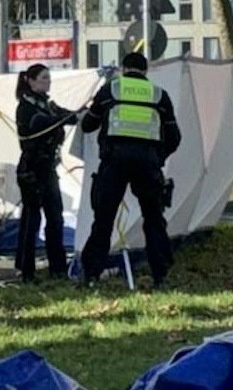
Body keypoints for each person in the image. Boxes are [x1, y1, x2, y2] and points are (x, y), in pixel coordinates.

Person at [77, 52, 183, 289]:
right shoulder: (159, 95)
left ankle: (91, 275)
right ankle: (160, 275)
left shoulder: (110, 90)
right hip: (147, 163)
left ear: (123, 69)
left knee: (104, 220)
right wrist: (157, 158)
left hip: (114, 161)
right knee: (154, 219)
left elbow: (88, 125)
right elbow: (174, 137)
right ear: (146, 71)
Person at [13, 63, 80, 283]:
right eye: (43, 78)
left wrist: (84, 113)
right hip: (31, 170)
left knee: (55, 218)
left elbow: (69, 116)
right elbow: (39, 124)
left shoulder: (48, 105)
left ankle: (58, 269)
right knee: (32, 220)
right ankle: (26, 271)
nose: (48, 82)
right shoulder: (26, 107)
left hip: (48, 169)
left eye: (49, 78)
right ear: (31, 81)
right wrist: (62, 118)